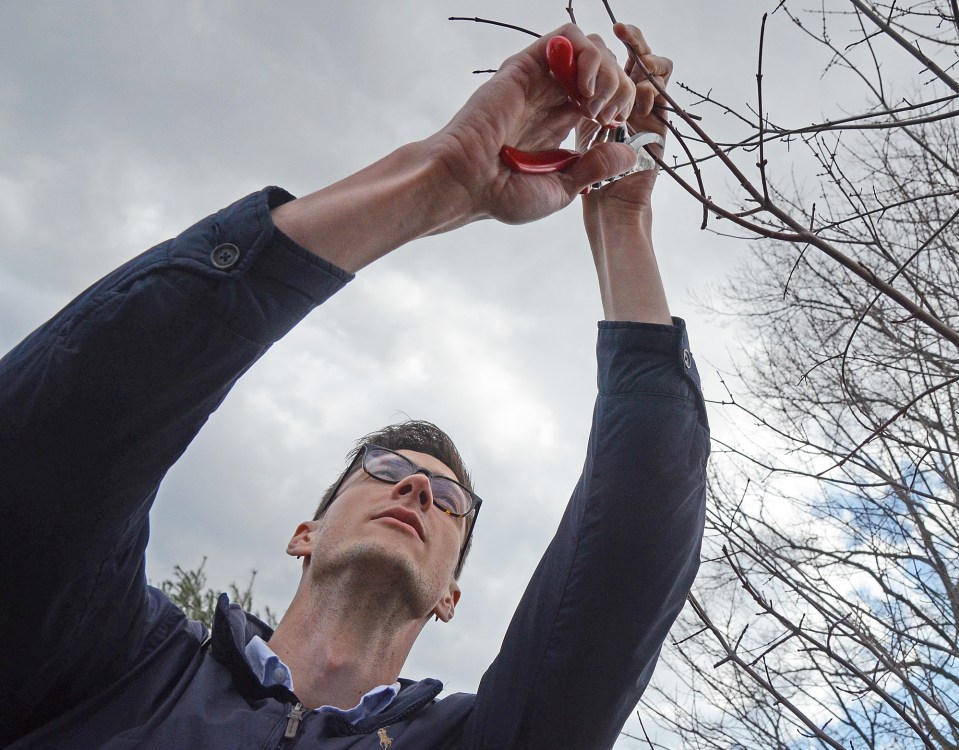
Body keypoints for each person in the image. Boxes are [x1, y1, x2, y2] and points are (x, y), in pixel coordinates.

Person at [0, 20, 708, 750]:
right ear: (305, 534)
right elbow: (66, 434)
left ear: (450, 597)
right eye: (388, 472)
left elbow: (632, 545)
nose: (418, 491)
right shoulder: (113, 663)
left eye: (450, 501)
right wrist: (435, 180)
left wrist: (625, 220)